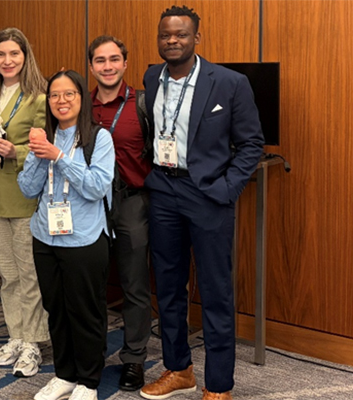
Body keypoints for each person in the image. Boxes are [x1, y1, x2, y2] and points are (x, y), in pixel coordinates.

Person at [139, 6, 264, 400]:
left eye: (180, 34)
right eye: (165, 35)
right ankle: (178, 370)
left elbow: (251, 144)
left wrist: (226, 189)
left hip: (208, 195)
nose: (171, 41)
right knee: (170, 289)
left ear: (197, 38)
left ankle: (219, 386)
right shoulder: (151, 77)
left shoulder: (229, 82)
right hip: (163, 191)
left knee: (215, 292)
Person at [18, 70, 115, 400]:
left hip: (84, 238)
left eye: (69, 94)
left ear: (81, 98)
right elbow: (28, 188)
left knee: (84, 311)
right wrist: (37, 153)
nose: (61, 101)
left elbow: (96, 187)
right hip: (45, 236)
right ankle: (65, 374)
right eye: (55, 95)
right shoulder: (44, 137)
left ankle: (88, 380)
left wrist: (59, 157)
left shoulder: (98, 138)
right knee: (55, 309)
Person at [0, 27, 49, 378]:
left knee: (28, 275)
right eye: (0, 54)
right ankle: (16, 336)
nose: (7, 60)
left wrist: (13, 151)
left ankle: (34, 343)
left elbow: (43, 147)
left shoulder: (38, 97)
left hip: (23, 197)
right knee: (8, 276)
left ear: (25, 57)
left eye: (14, 54)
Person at [86, 35, 153, 391]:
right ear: (92, 66)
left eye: (114, 59)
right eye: (100, 60)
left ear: (125, 64)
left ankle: (134, 359)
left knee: (134, 284)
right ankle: (92, 354)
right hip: (90, 205)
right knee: (91, 283)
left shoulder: (143, 103)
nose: (107, 66)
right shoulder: (83, 107)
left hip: (131, 203)